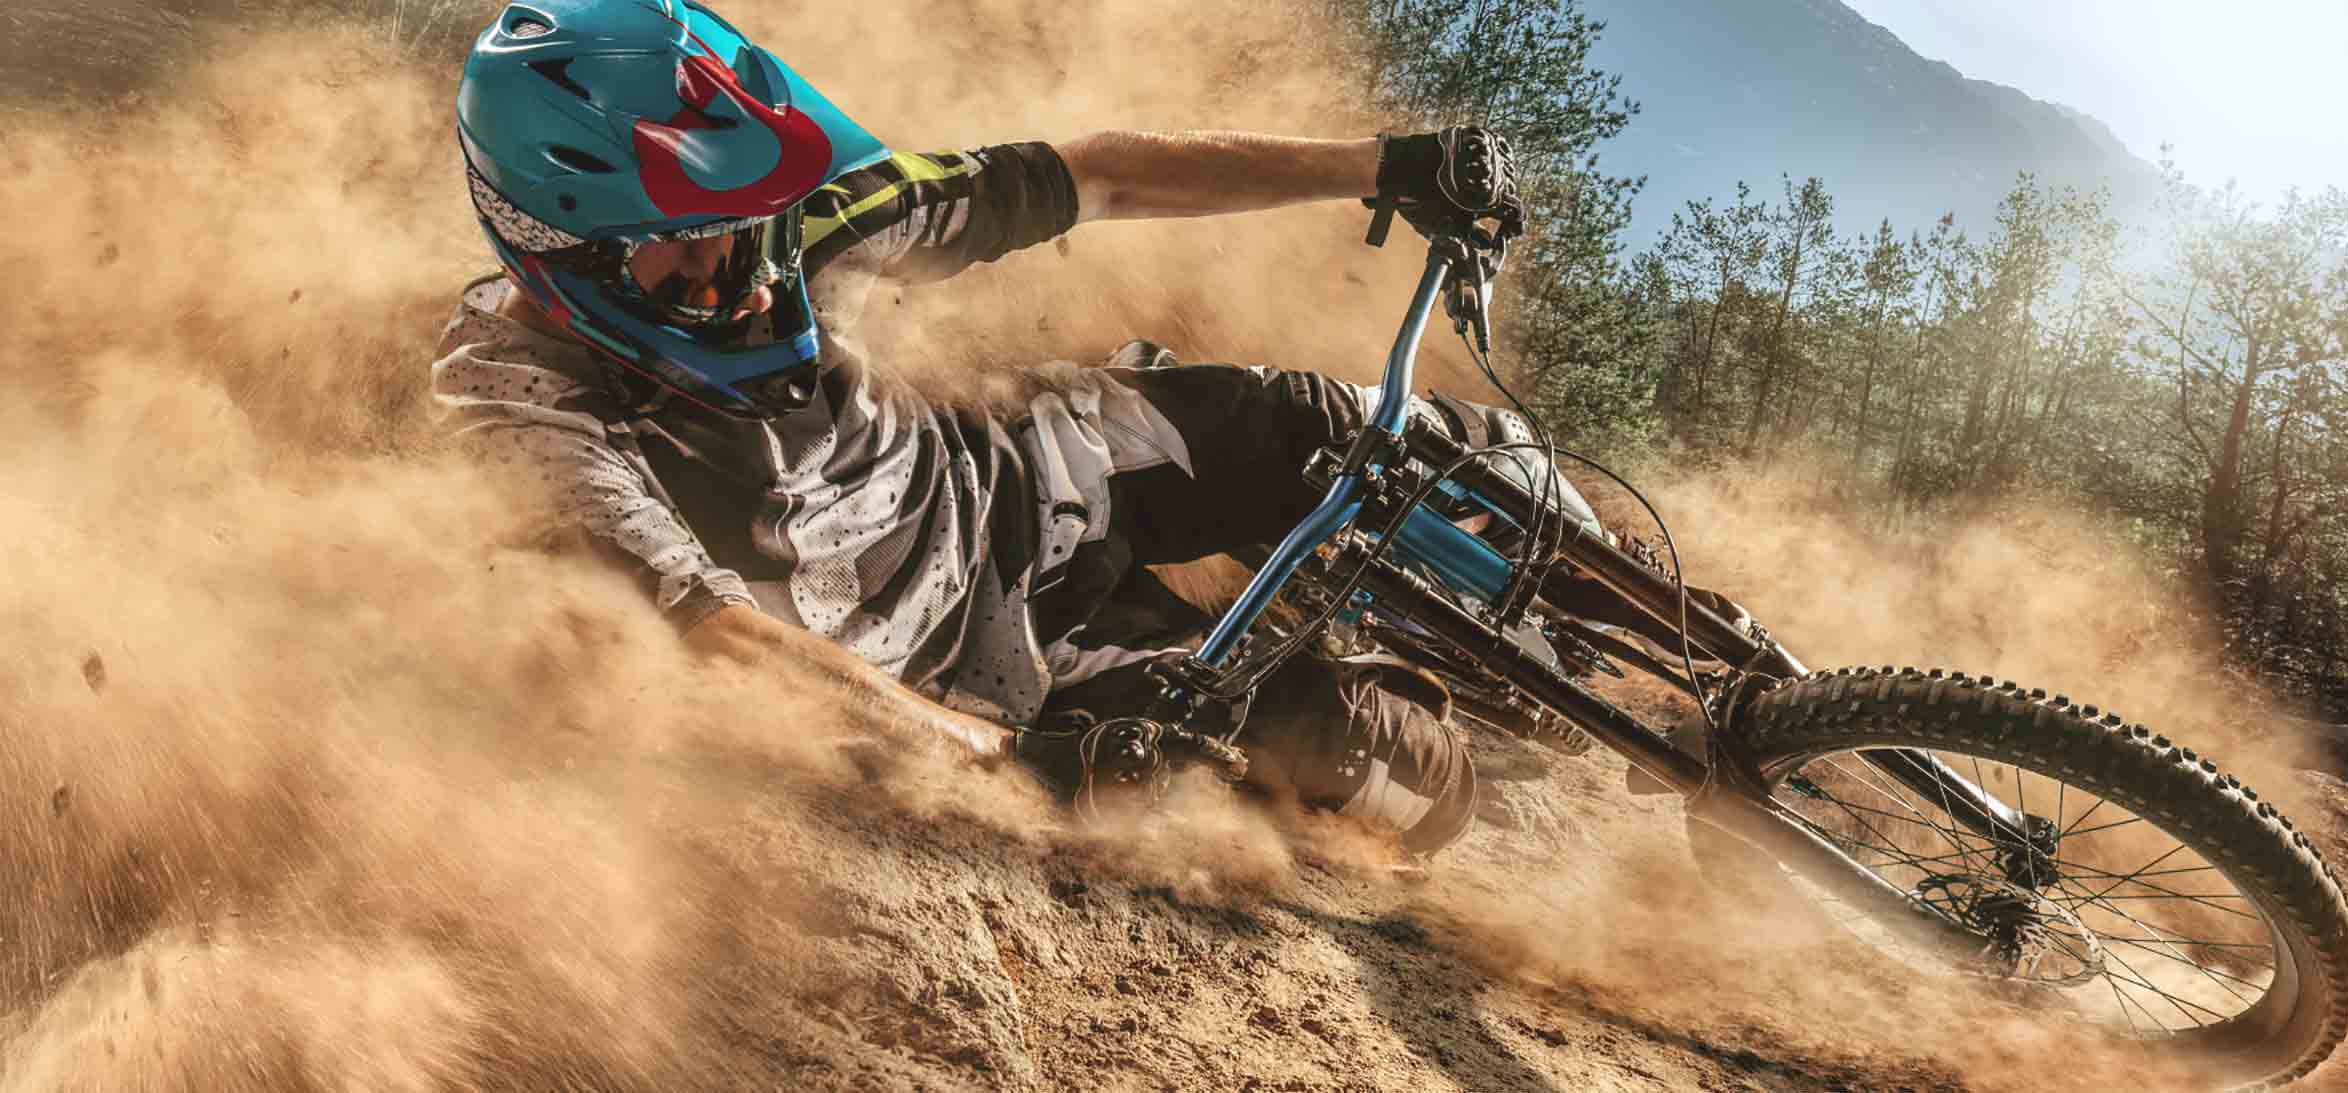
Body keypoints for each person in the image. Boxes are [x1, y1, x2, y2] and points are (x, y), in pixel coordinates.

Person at [434, 0, 1563, 855]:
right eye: (684, 246)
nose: (746, 269)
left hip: (1046, 461)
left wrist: (1381, 167)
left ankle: (1610, 581)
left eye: (748, 223)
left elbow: (1099, 178)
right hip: (1013, 670)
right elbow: (708, 638)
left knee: (1395, 439)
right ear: (560, 250)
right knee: (1417, 783)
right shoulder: (522, 413)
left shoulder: (803, 217)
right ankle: (1355, 686)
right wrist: (1011, 759)